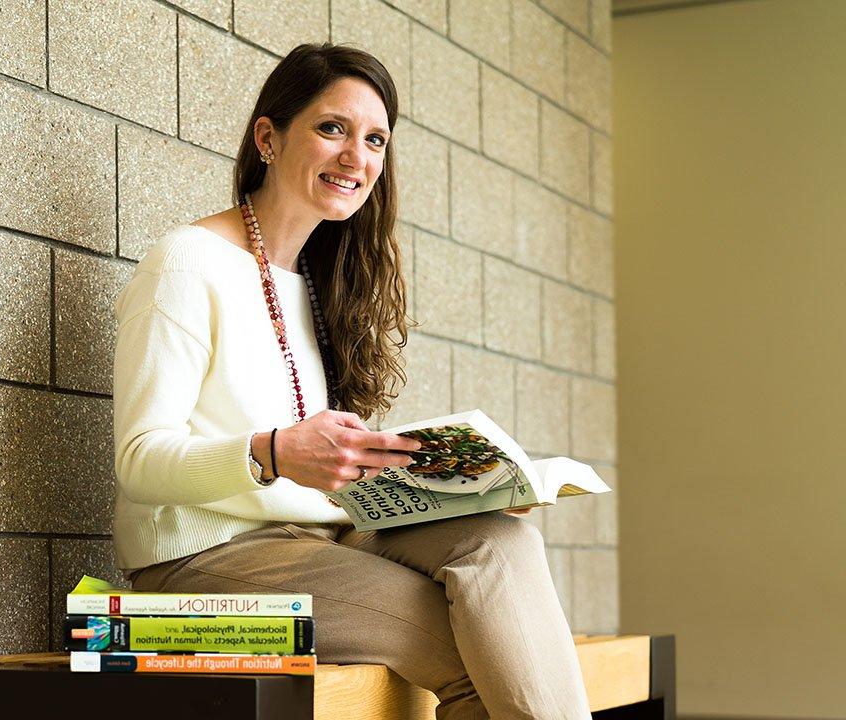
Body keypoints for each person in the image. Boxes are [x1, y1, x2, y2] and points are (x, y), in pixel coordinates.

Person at [111, 43, 592, 720]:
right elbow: (139, 462)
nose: (356, 157)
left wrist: (466, 493)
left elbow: (323, 478)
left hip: (316, 539)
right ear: (269, 138)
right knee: (481, 659)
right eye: (331, 128)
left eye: (374, 140)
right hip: (197, 565)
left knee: (503, 540)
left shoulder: (314, 283)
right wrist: (274, 451)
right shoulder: (187, 264)